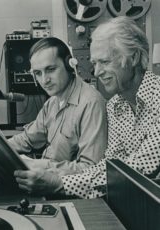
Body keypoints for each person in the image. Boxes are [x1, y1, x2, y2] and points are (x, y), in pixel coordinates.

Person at [15, 16, 160, 198]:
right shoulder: (115, 105)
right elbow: (109, 167)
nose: (97, 72)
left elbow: (139, 170)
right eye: (94, 63)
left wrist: (59, 183)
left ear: (135, 57)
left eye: (105, 62)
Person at [9, 37, 107, 194]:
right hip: (45, 186)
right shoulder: (52, 102)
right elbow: (27, 139)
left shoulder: (91, 103)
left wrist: (42, 166)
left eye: (50, 69)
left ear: (69, 65)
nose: (44, 80)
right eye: (38, 73)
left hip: (70, 194)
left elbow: (91, 169)